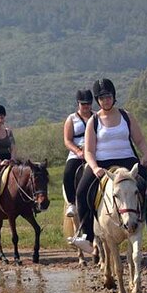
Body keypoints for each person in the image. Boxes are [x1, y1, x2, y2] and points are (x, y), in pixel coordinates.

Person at [68, 79, 147, 254]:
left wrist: (146, 154)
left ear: (113, 96)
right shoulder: (94, 121)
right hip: (101, 162)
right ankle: (87, 235)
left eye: (108, 96)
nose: (105, 100)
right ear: (97, 100)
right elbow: (89, 151)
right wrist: (94, 168)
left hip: (127, 159)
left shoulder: (126, 116)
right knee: (81, 191)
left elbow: (139, 140)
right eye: (101, 98)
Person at [63, 89, 94, 218]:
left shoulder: (96, 116)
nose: (86, 106)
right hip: (77, 152)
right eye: (83, 104)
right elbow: (67, 140)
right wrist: (77, 151)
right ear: (78, 104)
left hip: (93, 151)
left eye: (88, 103)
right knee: (68, 172)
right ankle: (71, 203)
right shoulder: (71, 119)